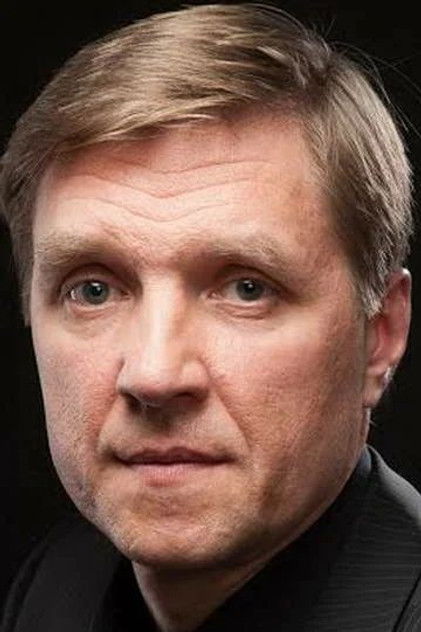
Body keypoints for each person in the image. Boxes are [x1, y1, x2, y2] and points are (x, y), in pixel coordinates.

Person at [1, 3, 420, 631]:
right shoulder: (58, 584)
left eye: (247, 289)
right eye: (93, 290)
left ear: (379, 335)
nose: (154, 375)